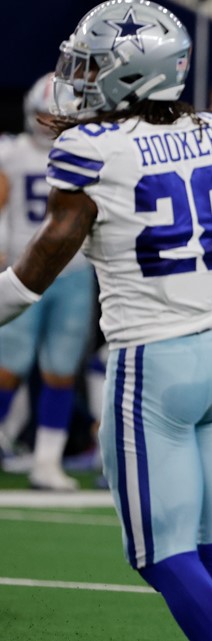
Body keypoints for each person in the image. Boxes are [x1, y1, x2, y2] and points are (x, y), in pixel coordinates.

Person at [0, 2, 212, 639]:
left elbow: (35, 271)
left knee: (163, 555)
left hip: (151, 364)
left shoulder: (90, 149)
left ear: (130, 73)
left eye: (93, 65)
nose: (80, 76)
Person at [0, 73, 97, 490]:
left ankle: (47, 461)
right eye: (43, 116)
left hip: (74, 271)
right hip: (24, 267)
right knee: (8, 367)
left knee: (60, 370)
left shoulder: (92, 152)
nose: (47, 125)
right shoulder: (11, 153)